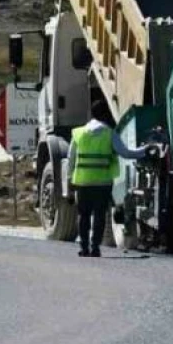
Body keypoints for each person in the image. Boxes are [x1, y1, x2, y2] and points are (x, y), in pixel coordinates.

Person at [68, 99, 153, 258]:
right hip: (103, 183)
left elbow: (70, 160)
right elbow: (126, 153)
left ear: (91, 114)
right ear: (105, 114)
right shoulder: (109, 133)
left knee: (83, 215)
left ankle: (84, 248)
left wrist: (69, 184)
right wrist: (145, 150)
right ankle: (95, 248)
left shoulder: (78, 133)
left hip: (83, 182)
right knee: (100, 215)